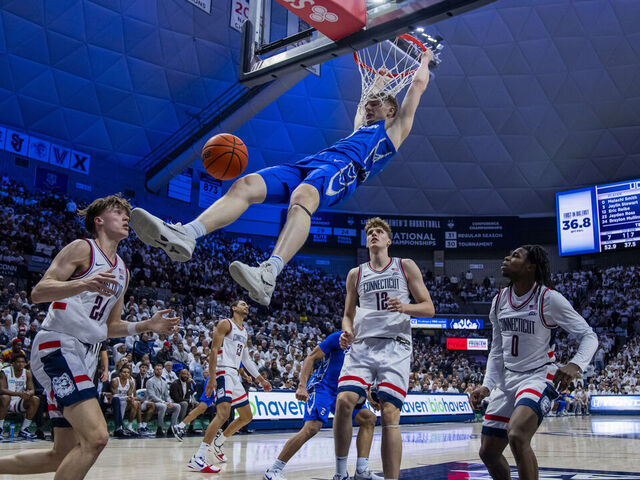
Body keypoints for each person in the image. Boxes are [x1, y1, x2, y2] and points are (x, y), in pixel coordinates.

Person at [129, 49, 435, 306]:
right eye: (367, 104)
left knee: (302, 197)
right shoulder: (361, 126)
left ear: (392, 110)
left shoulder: (394, 131)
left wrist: (424, 60)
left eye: (375, 104)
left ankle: (269, 274)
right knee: (245, 184)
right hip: (314, 161)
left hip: (345, 170)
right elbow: (367, 99)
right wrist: (378, 81)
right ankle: (189, 234)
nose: (368, 107)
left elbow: (417, 87)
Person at [0, 194, 179, 480]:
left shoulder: (122, 271)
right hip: (58, 343)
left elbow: (110, 326)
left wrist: (147, 324)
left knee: (61, 454)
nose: (125, 218)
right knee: (97, 437)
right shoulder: (83, 249)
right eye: (118, 211)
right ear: (98, 220)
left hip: (84, 354)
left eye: (126, 214)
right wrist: (83, 282)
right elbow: (38, 292)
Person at [469, 245, 598, 480]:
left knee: (517, 435)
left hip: (539, 375)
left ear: (531, 267)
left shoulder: (549, 299)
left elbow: (589, 336)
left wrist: (575, 364)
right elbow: (497, 351)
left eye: (515, 255)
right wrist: (487, 386)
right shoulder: (499, 301)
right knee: (488, 452)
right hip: (509, 378)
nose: (507, 257)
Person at [334, 217, 435, 480]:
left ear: (388, 240)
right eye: (370, 233)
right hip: (363, 345)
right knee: (344, 401)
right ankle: (340, 473)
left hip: (395, 345)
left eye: (379, 232)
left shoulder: (405, 266)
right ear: (366, 241)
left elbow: (428, 307)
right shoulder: (355, 274)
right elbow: (348, 314)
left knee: (390, 411)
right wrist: (347, 330)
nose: (374, 235)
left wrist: (405, 307)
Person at [264, 331, 382, 480]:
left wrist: (370, 397)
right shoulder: (340, 337)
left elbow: (365, 376)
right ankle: (273, 470)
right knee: (312, 427)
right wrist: (302, 385)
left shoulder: (367, 346)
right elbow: (311, 357)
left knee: (369, 418)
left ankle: (361, 471)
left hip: (344, 390)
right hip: (323, 387)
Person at [186, 299, 272, 473]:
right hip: (223, 371)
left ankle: (217, 444)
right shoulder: (226, 324)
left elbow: (246, 359)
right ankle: (199, 457)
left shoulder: (244, 331)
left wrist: (260, 379)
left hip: (234, 374)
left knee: (247, 416)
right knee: (223, 414)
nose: (246, 306)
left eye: (247, 305)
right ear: (233, 308)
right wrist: (211, 377)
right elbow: (213, 350)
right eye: (242, 304)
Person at [0, 353, 39, 439]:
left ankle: (24, 429)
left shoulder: (27, 373)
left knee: (35, 399)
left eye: (23, 362)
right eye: (18, 362)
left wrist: (28, 393)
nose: (21, 364)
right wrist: (19, 394)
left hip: (18, 402)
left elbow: (32, 389)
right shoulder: (5, 371)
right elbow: (2, 390)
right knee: (5, 397)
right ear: (13, 363)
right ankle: (0, 429)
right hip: (5, 401)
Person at [172, 374, 216, 442]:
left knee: (202, 408)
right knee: (202, 408)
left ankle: (180, 426)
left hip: (224, 379)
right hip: (216, 379)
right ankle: (215, 435)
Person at [146, 363, 181, 437]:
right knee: (163, 406)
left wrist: (169, 402)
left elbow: (166, 395)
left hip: (163, 402)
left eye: (160, 369)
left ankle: (172, 427)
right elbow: (152, 395)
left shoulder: (164, 382)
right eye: (157, 369)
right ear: (154, 371)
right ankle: (159, 428)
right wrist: (163, 402)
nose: (159, 371)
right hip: (152, 402)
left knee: (177, 406)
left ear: (162, 371)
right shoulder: (150, 381)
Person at [110, 365, 138, 437]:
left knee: (132, 403)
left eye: (128, 372)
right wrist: (126, 397)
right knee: (120, 401)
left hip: (123, 401)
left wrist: (130, 399)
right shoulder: (115, 381)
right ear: (120, 373)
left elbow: (129, 395)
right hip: (112, 402)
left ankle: (124, 427)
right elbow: (115, 395)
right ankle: (119, 427)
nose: (126, 374)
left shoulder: (131, 382)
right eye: (124, 372)